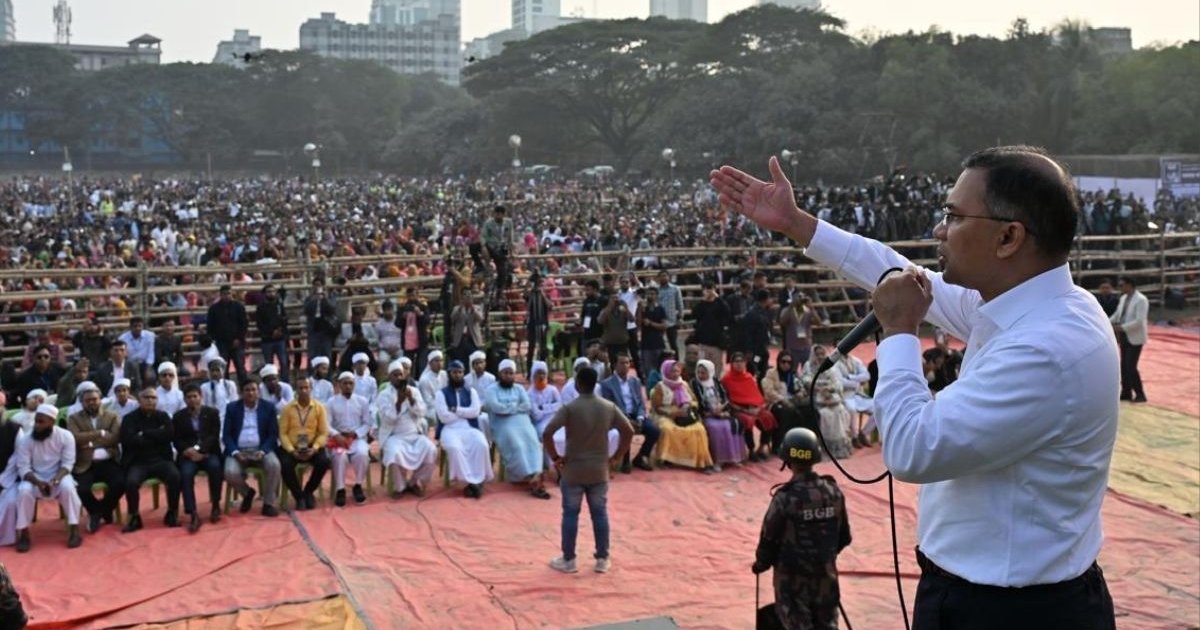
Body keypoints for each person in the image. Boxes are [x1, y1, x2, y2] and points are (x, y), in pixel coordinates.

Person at [713, 147, 1118, 627]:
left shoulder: (1047, 349)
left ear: (1008, 237)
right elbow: (896, 271)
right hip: (987, 593)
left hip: (1011, 610)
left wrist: (900, 331)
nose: (939, 230)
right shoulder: (1032, 304)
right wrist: (798, 224)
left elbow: (912, 449)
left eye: (953, 215)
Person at [752, 428, 852, 630]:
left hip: (792, 583)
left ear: (787, 460)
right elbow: (844, 537)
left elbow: (768, 540)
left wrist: (761, 564)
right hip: (826, 577)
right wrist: (822, 557)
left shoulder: (785, 498)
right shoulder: (833, 492)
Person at [543, 366, 634, 574]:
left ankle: (569, 559)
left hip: (573, 470)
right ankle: (602, 559)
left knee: (571, 514)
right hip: (599, 470)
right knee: (600, 514)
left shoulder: (570, 408)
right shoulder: (608, 407)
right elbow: (628, 430)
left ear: (577, 384)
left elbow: (548, 433)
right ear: (596, 384)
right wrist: (617, 456)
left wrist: (556, 458)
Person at [14, 405, 84, 551]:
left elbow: (68, 464)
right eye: (36, 421)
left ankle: (74, 529)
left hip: (59, 475)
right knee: (23, 491)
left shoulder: (66, 436)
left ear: (52, 422)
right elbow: (23, 467)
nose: (37, 425)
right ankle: (24, 533)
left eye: (41, 422)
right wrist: (38, 482)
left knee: (68, 487)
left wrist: (55, 480)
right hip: (34, 477)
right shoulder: (26, 440)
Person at [484, 360, 552, 499]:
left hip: (522, 422)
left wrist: (508, 408)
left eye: (511, 373)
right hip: (503, 425)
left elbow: (527, 405)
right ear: (499, 374)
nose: (508, 376)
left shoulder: (519, 388)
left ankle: (534, 474)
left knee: (533, 443)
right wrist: (515, 407)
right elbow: (497, 408)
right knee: (517, 445)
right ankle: (529, 476)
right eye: (505, 373)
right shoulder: (491, 390)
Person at [119, 388, 182, 532]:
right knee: (131, 482)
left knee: (175, 476)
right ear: (139, 400)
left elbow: (169, 434)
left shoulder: (163, 416)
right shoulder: (129, 418)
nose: (150, 400)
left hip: (161, 459)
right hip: (138, 461)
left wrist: (144, 433)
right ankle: (134, 517)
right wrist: (157, 435)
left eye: (153, 398)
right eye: (146, 397)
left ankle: (172, 513)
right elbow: (128, 440)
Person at [66, 383, 124, 534]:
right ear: (82, 402)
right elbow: (75, 438)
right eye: (88, 400)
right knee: (81, 488)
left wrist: (89, 442)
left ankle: (98, 512)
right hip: (85, 462)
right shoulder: (73, 418)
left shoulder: (112, 416)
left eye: (94, 399)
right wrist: (100, 433)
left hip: (108, 461)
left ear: (100, 399)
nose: (92, 402)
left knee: (121, 482)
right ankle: (101, 512)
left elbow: (114, 439)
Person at [222, 378, 282, 517]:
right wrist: (236, 453)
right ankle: (247, 493)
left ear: (258, 392)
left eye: (253, 390)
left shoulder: (268, 407)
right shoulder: (232, 408)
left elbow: (273, 435)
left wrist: (262, 451)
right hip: (239, 450)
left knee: (274, 465)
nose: (250, 393)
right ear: (241, 392)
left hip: (261, 449)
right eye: (247, 390)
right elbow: (227, 435)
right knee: (229, 472)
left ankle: (268, 503)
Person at [434, 360, 494, 498]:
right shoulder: (441, 394)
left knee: (482, 444)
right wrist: (464, 413)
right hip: (449, 430)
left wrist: (455, 410)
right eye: (454, 372)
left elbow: (475, 411)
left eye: (460, 372)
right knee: (455, 448)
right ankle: (469, 482)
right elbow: (444, 417)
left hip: (469, 427)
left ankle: (477, 480)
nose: (457, 375)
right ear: (449, 374)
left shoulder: (471, 391)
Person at [377, 361, 436, 498]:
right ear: (389, 377)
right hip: (394, 436)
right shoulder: (384, 395)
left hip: (415, 434)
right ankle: (400, 486)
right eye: (395, 375)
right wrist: (398, 402)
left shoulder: (413, 391)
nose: (398, 378)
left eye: (400, 375)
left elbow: (422, 412)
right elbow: (388, 419)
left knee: (431, 450)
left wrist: (411, 400)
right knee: (394, 453)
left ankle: (414, 482)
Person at [171, 383, 223, 532]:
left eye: (195, 396)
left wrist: (199, 450)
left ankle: (215, 505)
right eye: (189, 397)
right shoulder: (178, 417)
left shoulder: (212, 413)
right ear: (184, 399)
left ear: (201, 397)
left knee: (215, 467)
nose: (192, 399)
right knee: (185, 474)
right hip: (188, 456)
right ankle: (192, 512)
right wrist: (188, 451)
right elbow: (176, 439)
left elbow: (213, 436)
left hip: (208, 453)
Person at [649, 360, 715, 472]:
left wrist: (687, 406)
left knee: (699, 430)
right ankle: (667, 459)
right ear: (666, 372)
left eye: (677, 371)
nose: (675, 374)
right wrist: (672, 413)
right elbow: (657, 407)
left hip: (685, 415)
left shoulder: (683, 385)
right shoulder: (660, 387)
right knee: (667, 428)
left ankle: (701, 461)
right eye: (672, 371)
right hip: (666, 415)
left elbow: (694, 401)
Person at [277, 377, 331, 511]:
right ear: (296, 391)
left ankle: (308, 491)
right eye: (300, 388)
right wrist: (291, 450)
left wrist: (315, 448)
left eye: (306, 388)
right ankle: (298, 496)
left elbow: (323, 432)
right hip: (293, 446)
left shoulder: (319, 408)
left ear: (311, 389)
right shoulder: (287, 409)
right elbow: (282, 433)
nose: (304, 391)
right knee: (284, 464)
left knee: (324, 462)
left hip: (312, 445)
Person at [598, 353, 656, 472]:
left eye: (627, 363)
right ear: (615, 365)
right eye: (622, 363)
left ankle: (641, 456)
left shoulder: (635, 381)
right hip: (618, 417)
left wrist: (640, 418)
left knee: (654, 430)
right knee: (627, 428)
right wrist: (625, 419)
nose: (625, 366)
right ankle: (625, 460)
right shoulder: (607, 384)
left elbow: (640, 403)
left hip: (635, 414)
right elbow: (610, 406)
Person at [721, 353, 780, 462]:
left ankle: (762, 448)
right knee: (747, 421)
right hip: (737, 408)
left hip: (755, 408)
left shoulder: (748, 377)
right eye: (736, 361)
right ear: (732, 363)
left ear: (745, 363)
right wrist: (745, 410)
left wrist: (759, 408)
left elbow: (757, 396)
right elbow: (727, 400)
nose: (739, 364)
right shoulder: (726, 379)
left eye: (741, 361)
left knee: (768, 417)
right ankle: (751, 450)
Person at [326, 372, 373, 506]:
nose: (348, 386)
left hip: (356, 439)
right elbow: (327, 424)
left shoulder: (362, 401)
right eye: (345, 383)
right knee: (340, 456)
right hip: (339, 439)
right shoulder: (331, 402)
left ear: (354, 385)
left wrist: (356, 433)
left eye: (350, 383)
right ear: (339, 385)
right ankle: (340, 489)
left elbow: (367, 423)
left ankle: (358, 485)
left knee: (363, 454)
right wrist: (336, 435)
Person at [690, 359, 745, 470]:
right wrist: (712, 411)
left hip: (721, 412)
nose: (700, 375)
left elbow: (725, 397)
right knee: (716, 428)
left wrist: (722, 409)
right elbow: (698, 401)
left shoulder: (716, 381)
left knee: (733, 424)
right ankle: (718, 460)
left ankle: (733, 458)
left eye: (703, 373)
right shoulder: (694, 383)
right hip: (706, 414)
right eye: (699, 372)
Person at [1110, 276, 1148, 403]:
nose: (1120, 288)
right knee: (1123, 366)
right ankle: (1126, 392)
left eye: (1122, 285)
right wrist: (1106, 322)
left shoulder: (1141, 300)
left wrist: (1121, 328)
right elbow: (1117, 315)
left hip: (1135, 337)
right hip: (1125, 336)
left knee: (1131, 366)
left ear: (1130, 285)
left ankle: (1140, 393)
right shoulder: (1123, 298)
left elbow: (1139, 321)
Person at [206, 285, 249, 383]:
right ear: (220, 295)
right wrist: (215, 339)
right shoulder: (214, 309)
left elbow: (244, 324)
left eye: (229, 293)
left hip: (237, 343)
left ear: (232, 294)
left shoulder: (238, 307)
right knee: (223, 369)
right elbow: (210, 326)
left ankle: (244, 388)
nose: (227, 296)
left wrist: (239, 338)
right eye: (224, 294)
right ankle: (224, 390)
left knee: (241, 368)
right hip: (221, 343)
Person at [690, 281, 731, 378]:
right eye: (706, 289)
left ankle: (716, 383)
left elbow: (727, 313)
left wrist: (717, 297)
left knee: (717, 366)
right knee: (703, 365)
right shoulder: (701, 304)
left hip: (717, 342)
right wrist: (704, 300)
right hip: (703, 341)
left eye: (710, 289)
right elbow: (694, 314)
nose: (708, 291)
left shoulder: (720, 303)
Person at [255, 283, 291, 384]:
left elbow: (284, 319)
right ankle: (270, 383)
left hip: (280, 339)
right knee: (269, 365)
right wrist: (271, 332)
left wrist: (279, 330)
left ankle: (285, 383)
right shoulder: (261, 307)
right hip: (267, 339)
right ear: (265, 294)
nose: (271, 294)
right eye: (268, 292)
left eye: (273, 291)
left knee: (284, 363)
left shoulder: (279, 305)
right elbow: (260, 323)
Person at [304, 280, 340, 369]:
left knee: (327, 354)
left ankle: (327, 376)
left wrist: (324, 298)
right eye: (315, 285)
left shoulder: (330, 296)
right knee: (312, 354)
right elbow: (306, 310)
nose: (317, 287)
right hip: (313, 328)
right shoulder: (309, 298)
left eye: (319, 285)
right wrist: (314, 298)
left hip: (326, 329)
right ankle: (312, 375)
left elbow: (332, 309)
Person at [527, 361, 562, 450]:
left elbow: (560, 406)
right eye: (538, 373)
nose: (541, 376)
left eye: (543, 373)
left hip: (555, 420)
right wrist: (552, 407)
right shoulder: (530, 393)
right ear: (533, 375)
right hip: (539, 424)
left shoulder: (552, 390)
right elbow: (536, 415)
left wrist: (543, 407)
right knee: (546, 434)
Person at [336, 307, 379, 374]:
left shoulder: (368, 326)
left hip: (365, 349)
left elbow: (376, 340)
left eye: (358, 315)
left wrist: (366, 340)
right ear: (352, 317)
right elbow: (337, 342)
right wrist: (349, 340)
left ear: (361, 317)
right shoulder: (344, 328)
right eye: (355, 315)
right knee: (344, 365)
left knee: (373, 365)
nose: (357, 318)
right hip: (350, 349)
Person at [779, 293, 817, 366]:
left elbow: (818, 322)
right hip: (792, 346)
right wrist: (791, 306)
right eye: (798, 298)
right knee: (792, 369)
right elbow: (782, 322)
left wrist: (812, 308)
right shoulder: (787, 310)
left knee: (806, 369)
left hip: (806, 345)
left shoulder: (807, 310)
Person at [638, 285, 669, 374]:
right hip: (646, 345)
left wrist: (651, 323)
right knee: (648, 370)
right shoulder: (643, 309)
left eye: (652, 294)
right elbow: (638, 324)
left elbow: (664, 325)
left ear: (656, 295)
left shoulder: (660, 309)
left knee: (660, 370)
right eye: (648, 294)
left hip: (658, 344)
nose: (650, 296)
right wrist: (640, 309)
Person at [201, 357, 238, 426]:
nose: (215, 373)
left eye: (217, 370)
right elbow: (203, 405)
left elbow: (234, 403)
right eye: (212, 370)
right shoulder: (204, 387)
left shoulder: (230, 385)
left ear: (223, 371)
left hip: (227, 418)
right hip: (211, 419)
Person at [656, 269, 684, 356]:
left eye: (665, 275)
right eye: (661, 276)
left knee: (673, 344)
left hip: (672, 321)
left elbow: (680, 304)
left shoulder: (675, 289)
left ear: (669, 277)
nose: (663, 278)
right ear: (658, 278)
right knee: (660, 344)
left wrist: (680, 317)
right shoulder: (656, 290)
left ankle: (676, 363)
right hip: (659, 321)